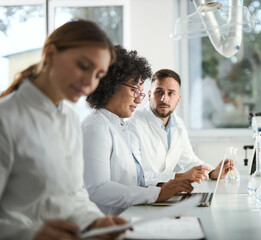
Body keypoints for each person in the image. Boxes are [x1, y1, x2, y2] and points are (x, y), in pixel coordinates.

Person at [0, 20, 128, 240]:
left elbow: (73, 194)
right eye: (83, 66)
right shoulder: (6, 118)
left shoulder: (69, 119)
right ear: (50, 55)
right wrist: (30, 234)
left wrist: (95, 221)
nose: (89, 82)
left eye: (98, 75)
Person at [82, 47, 193, 215]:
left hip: (130, 216)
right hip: (106, 225)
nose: (139, 99)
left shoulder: (119, 126)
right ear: (111, 84)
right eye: (134, 89)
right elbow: (97, 188)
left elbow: (134, 180)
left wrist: (164, 186)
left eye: (141, 92)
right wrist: (156, 194)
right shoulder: (95, 128)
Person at [128, 69, 234, 186]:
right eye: (159, 92)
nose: (164, 99)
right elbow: (136, 176)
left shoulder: (178, 124)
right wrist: (179, 177)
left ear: (178, 99)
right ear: (149, 95)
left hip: (165, 196)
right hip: (142, 198)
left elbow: (189, 161)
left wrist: (213, 173)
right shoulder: (133, 125)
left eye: (171, 93)